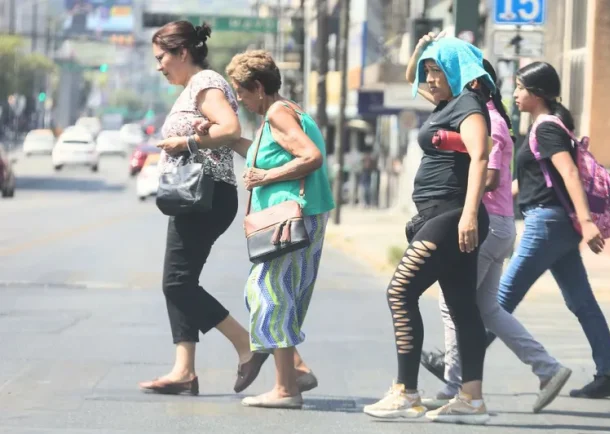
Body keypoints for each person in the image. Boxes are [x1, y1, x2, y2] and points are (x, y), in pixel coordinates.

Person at [412, 54, 572, 414]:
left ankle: (455, 385)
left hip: (491, 224)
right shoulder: (482, 114)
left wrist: (461, 197)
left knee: (452, 303)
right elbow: (423, 90)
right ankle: (547, 368)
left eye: (447, 73)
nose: (440, 81)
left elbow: (491, 175)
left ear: (471, 81)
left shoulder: (490, 123)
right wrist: (423, 53)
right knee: (486, 307)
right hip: (499, 223)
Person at [362, 36, 493, 425]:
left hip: (453, 216)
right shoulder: (445, 105)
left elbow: (481, 154)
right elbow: (412, 79)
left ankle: (406, 392)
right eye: (429, 71)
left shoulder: (468, 105)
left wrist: (469, 215)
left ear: (457, 71)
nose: (430, 78)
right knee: (462, 307)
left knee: (400, 290)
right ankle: (471, 399)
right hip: (440, 214)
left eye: (438, 70)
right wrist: (420, 52)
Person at [209, 49, 335, 409]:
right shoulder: (283, 112)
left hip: (290, 219)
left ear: (259, 87)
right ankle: (294, 372)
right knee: (272, 294)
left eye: (242, 93)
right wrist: (228, 138)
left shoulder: (279, 115)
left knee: (269, 293)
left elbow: (310, 156)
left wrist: (267, 176)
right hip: (294, 218)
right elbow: (265, 154)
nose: (241, 102)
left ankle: (286, 389)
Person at [139, 21, 257, 396]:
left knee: (177, 283)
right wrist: (193, 138)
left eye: (162, 58)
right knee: (178, 282)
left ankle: (245, 345)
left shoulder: (205, 82)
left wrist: (186, 142)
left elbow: (231, 128)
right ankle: (184, 369)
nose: (159, 66)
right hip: (196, 196)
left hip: (205, 195)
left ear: (182, 53)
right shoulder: (194, 87)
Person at [497, 61, 610, 399]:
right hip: (555, 223)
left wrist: (587, 223)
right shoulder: (543, 126)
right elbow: (531, 183)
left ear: (537, 94)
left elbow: (568, 174)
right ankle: (609, 374)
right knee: (582, 301)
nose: (515, 94)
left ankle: (457, 367)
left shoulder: (547, 128)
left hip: (548, 224)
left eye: (521, 88)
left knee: (498, 300)